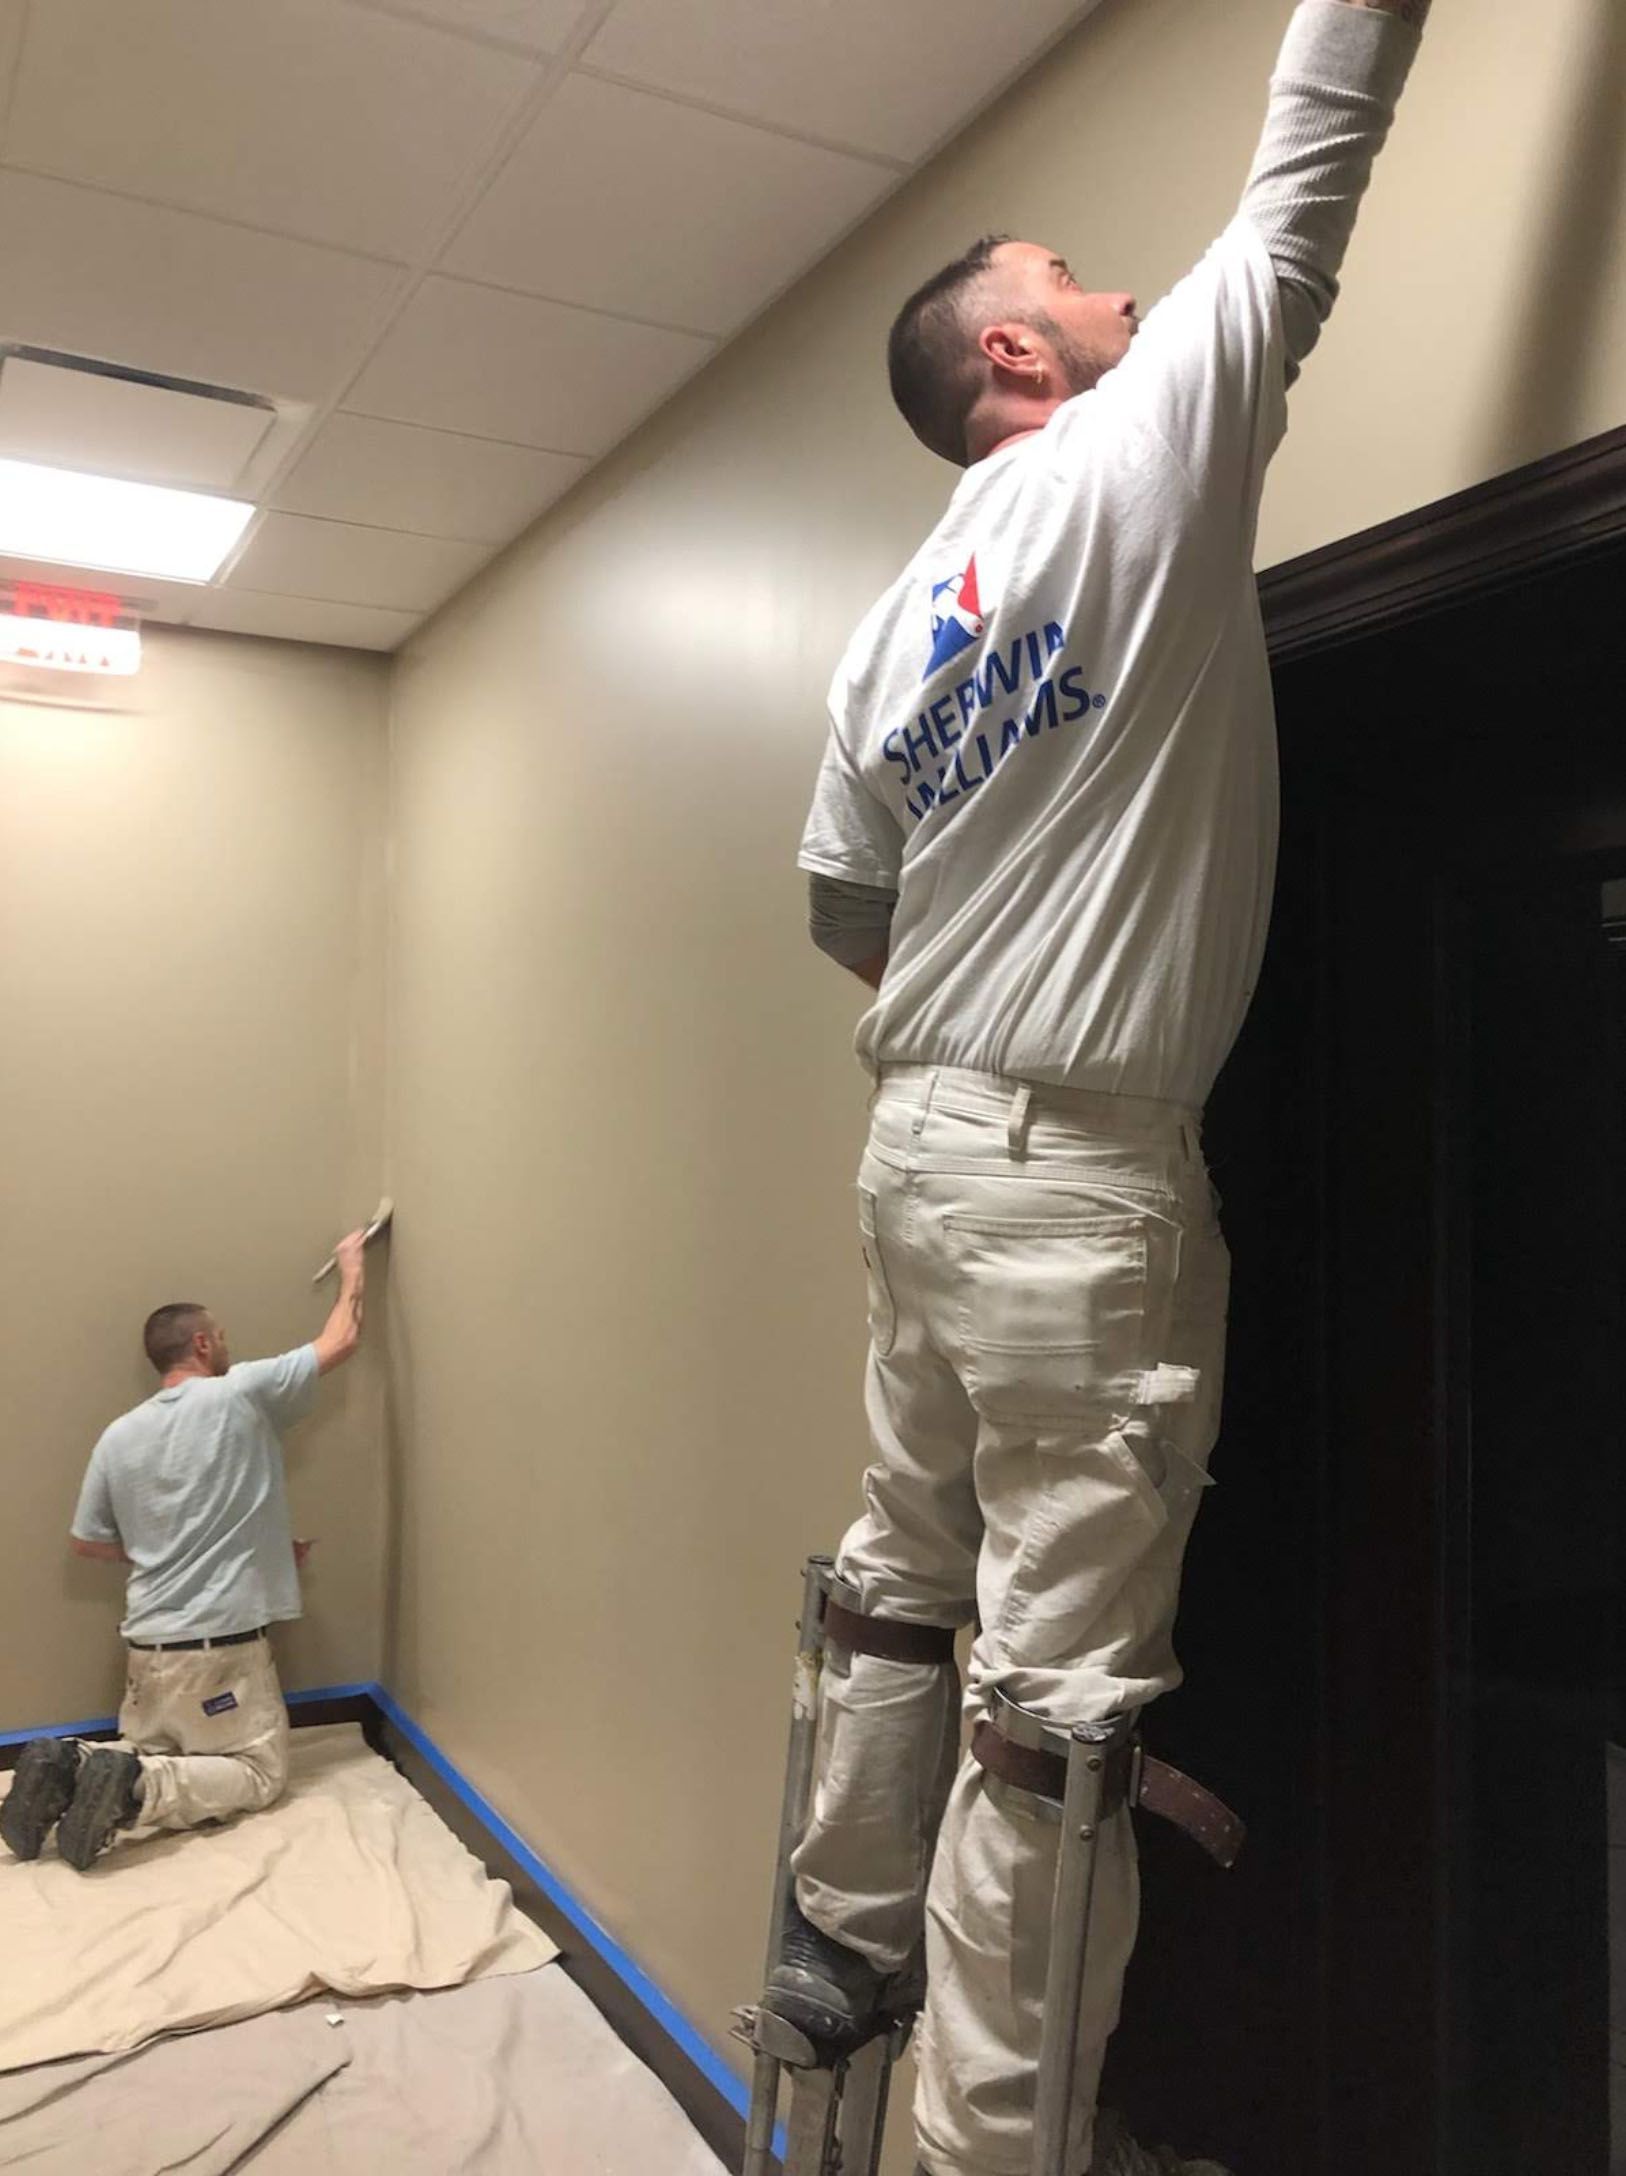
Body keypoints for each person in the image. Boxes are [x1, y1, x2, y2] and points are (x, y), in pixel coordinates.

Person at [773, 5, 1429, 2173]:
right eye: (1066, 272)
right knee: (1050, 1709)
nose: (1115, 286)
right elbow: (1313, 151)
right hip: (1070, 1173)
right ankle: (984, 2145)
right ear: (1016, 354)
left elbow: (846, 909)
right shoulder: (1146, 437)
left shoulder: (889, 625)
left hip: (916, 1150)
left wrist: (999, 972)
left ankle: (840, 1950)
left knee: (901, 1570)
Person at [0, 1231, 370, 1872]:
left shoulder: (119, 1435)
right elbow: (340, 1340)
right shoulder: (241, 1392)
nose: (226, 1345)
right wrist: (353, 1265)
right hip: (220, 1654)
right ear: (202, 1344)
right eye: (220, 1336)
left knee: (151, 1751)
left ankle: (78, 1764)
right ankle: (139, 1791)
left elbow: (87, 1542)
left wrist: (171, 1549)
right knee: (257, 1773)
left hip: (147, 1652)